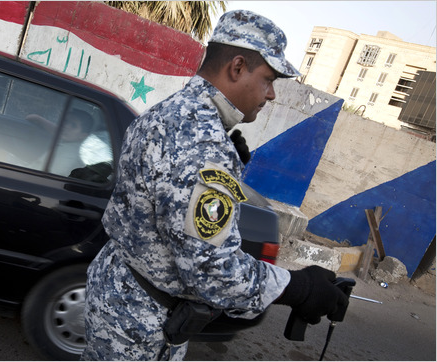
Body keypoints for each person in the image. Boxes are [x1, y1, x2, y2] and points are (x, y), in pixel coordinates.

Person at [81, 10, 348, 361]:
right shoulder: (205, 146)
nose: (271, 95)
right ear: (237, 67)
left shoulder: (172, 111)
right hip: (140, 326)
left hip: (118, 291)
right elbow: (212, 271)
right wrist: (297, 287)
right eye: (269, 79)